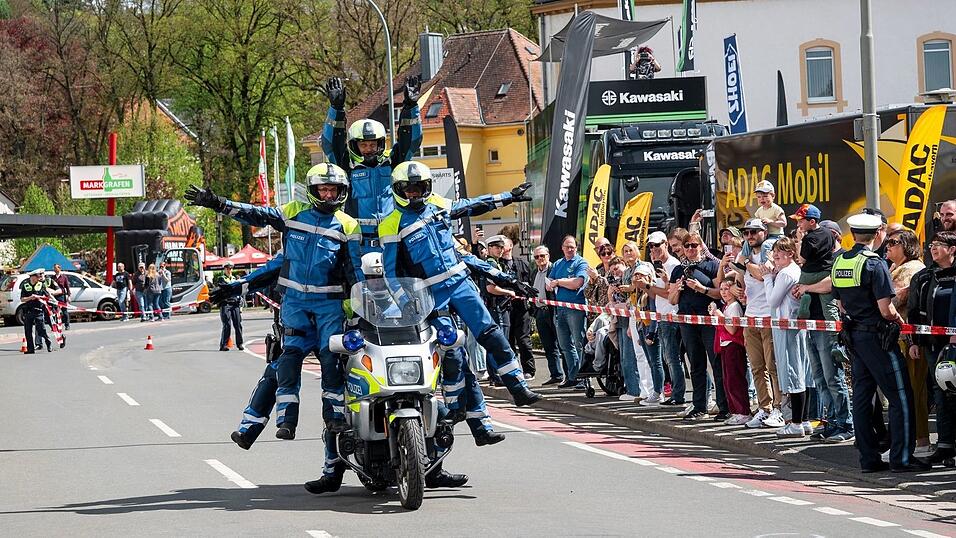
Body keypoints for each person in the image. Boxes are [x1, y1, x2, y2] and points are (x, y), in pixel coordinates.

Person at [186, 163, 365, 496]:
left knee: (332, 372)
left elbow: (356, 273)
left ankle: (333, 453)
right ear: (312, 191)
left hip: (329, 307)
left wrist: (359, 312)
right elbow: (257, 215)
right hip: (295, 306)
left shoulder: (348, 225)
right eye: (323, 190)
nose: (328, 195)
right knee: (282, 366)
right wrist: (218, 204)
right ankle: (275, 424)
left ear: (342, 194)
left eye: (334, 191)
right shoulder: (293, 212)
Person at [378, 161, 540, 408]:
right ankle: (455, 408)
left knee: (491, 332)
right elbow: (391, 275)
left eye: (419, 188)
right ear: (398, 190)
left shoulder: (439, 205)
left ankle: (518, 387)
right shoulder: (390, 223)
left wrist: (508, 197)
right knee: (451, 345)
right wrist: (407, 304)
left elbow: (472, 205)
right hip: (431, 294)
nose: (414, 193)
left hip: (460, 283)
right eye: (408, 189)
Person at [832, 212, 929, 473]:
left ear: (852, 235)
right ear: (877, 235)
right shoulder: (874, 264)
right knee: (901, 396)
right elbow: (886, 308)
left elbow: (840, 303)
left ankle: (869, 459)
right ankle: (902, 459)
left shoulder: (840, 260)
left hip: (854, 335)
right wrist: (899, 322)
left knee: (862, 398)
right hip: (878, 337)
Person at [321, 75, 422, 253]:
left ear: (380, 144)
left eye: (373, 144)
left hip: (392, 237)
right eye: (363, 145)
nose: (368, 149)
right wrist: (336, 109)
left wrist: (411, 107)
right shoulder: (346, 165)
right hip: (357, 239)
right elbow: (332, 143)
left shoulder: (393, 163)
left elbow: (410, 141)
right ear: (354, 145)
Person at [910, 231, 956, 466]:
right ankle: (945, 445)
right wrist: (915, 341)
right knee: (940, 394)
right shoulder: (926, 277)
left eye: (939, 245)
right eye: (932, 245)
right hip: (933, 345)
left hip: (954, 344)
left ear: (952, 249)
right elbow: (915, 310)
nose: (933, 248)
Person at [668, 232, 725, 421]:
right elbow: (671, 299)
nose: (691, 250)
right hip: (687, 321)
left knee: (715, 362)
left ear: (701, 246)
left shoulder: (712, 265)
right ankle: (699, 405)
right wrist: (677, 289)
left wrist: (702, 289)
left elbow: (721, 294)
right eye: (687, 246)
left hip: (707, 320)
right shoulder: (678, 270)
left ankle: (723, 406)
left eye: (694, 245)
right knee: (696, 364)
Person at [883, 230, 928, 456]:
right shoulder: (895, 267)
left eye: (894, 242)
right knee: (903, 392)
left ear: (908, 245)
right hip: (899, 338)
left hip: (909, 339)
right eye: (887, 241)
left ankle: (919, 441)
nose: (888, 246)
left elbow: (897, 299)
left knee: (912, 391)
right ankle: (906, 442)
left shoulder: (912, 269)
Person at [764, 237, 812, 438]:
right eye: (774, 251)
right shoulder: (794, 271)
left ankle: (796, 423)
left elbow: (772, 301)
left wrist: (767, 277)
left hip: (787, 327)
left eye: (780, 251)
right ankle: (806, 419)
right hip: (796, 326)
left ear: (791, 253)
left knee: (794, 373)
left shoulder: (785, 273)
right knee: (803, 372)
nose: (775, 255)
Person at [739, 218, 785, 429]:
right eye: (747, 233)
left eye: (754, 232)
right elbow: (740, 277)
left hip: (768, 317)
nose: (750, 236)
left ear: (764, 232)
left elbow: (760, 275)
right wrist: (733, 286)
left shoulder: (770, 253)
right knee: (757, 368)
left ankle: (778, 409)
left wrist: (745, 262)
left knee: (772, 366)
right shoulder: (745, 255)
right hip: (750, 316)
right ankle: (764, 408)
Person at [647, 230, 685, 406]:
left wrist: (647, 286)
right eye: (651, 246)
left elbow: (669, 292)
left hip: (672, 316)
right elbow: (656, 295)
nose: (654, 249)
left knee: (673, 357)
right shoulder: (657, 265)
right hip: (663, 316)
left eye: (657, 245)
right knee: (670, 357)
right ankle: (678, 393)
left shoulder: (673, 264)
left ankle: (679, 395)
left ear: (666, 245)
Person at [549, 235, 590, 390]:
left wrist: (559, 282)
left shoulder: (581, 262)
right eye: (567, 246)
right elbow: (549, 283)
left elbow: (577, 283)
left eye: (572, 246)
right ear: (562, 248)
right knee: (565, 345)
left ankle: (583, 379)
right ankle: (573, 377)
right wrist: (557, 283)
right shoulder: (558, 264)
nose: (570, 249)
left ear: (576, 247)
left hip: (576, 308)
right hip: (560, 308)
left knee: (579, 343)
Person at [709, 280, 750, 425]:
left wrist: (719, 315)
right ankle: (735, 411)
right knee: (728, 381)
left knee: (735, 380)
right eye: (721, 289)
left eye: (727, 289)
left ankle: (743, 411)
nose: (724, 292)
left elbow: (732, 329)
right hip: (724, 346)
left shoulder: (734, 307)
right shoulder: (726, 306)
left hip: (734, 345)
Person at [500, 237, 535, 381]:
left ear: (511, 245)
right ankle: (514, 370)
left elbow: (530, 284)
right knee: (508, 340)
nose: (501, 247)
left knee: (523, 339)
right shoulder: (497, 264)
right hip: (505, 307)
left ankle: (529, 370)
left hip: (521, 308)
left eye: (504, 243)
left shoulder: (521, 263)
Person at [483, 235, 514, 386]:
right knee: (499, 342)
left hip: (497, 306)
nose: (500, 250)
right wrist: (508, 292)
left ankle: (495, 375)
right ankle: (497, 375)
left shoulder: (496, 263)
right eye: (497, 247)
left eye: (502, 247)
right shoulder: (491, 264)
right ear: (489, 248)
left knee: (496, 341)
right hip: (497, 307)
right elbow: (490, 288)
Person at [531, 245, 565, 385]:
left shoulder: (554, 269)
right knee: (548, 346)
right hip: (540, 312)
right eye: (537, 257)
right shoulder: (534, 272)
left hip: (553, 311)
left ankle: (570, 376)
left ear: (548, 256)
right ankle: (555, 374)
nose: (540, 259)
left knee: (562, 344)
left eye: (542, 256)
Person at [19, 268, 52, 353]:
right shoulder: (25, 286)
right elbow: (22, 299)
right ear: (32, 277)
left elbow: (47, 296)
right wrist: (30, 297)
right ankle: (30, 349)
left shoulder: (41, 285)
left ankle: (48, 341)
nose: (39, 278)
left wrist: (41, 298)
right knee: (28, 331)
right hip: (28, 311)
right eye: (37, 276)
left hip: (38, 311)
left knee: (41, 330)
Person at [583, 238, 614, 325]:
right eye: (603, 253)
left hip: (608, 315)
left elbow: (611, 287)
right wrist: (591, 282)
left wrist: (597, 277)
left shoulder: (617, 268)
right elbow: (586, 294)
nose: (606, 255)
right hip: (594, 315)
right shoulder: (598, 269)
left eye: (609, 252)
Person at [216, 261, 244, 351]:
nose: (229, 270)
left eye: (231, 268)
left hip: (235, 303)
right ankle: (223, 345)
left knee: (238, 324)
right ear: (224, 269)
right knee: (227, 324)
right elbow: (226, 289)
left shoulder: (235, 279)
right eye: (227, 268)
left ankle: (240, 343)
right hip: (225, 303)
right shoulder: (221, 279)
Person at [52, 264, 71, 330]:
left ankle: (67, 325)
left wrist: (69, 296)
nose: (54, 269)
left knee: (64, 311)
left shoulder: (64, 277)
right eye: (54, 268)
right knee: (54, 311)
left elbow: (67, 287)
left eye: (56, 268)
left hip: (62, 296)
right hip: (54, 296)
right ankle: (56, 325)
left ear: (59, 268)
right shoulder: (52, 278)